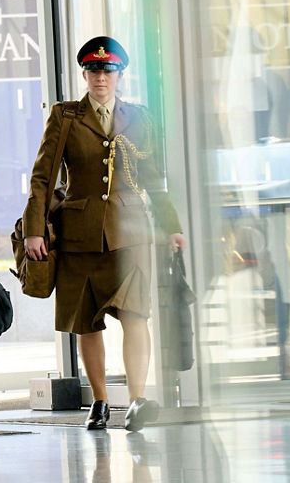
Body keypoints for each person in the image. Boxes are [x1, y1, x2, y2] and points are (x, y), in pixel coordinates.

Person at [22, 36, 185, 432]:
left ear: (120, 75)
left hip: (131, 235)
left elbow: (152, 178)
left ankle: (137, 398)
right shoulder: (66, 117)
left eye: (108, 71)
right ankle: (98, 401)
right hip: (79, 234)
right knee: (86, 321)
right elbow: (43, 177)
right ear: (84, 73)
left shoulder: (139, 118)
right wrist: (33, 231)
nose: (101, 78)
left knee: (136, 315)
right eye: (94, 71)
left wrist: (171, 226)